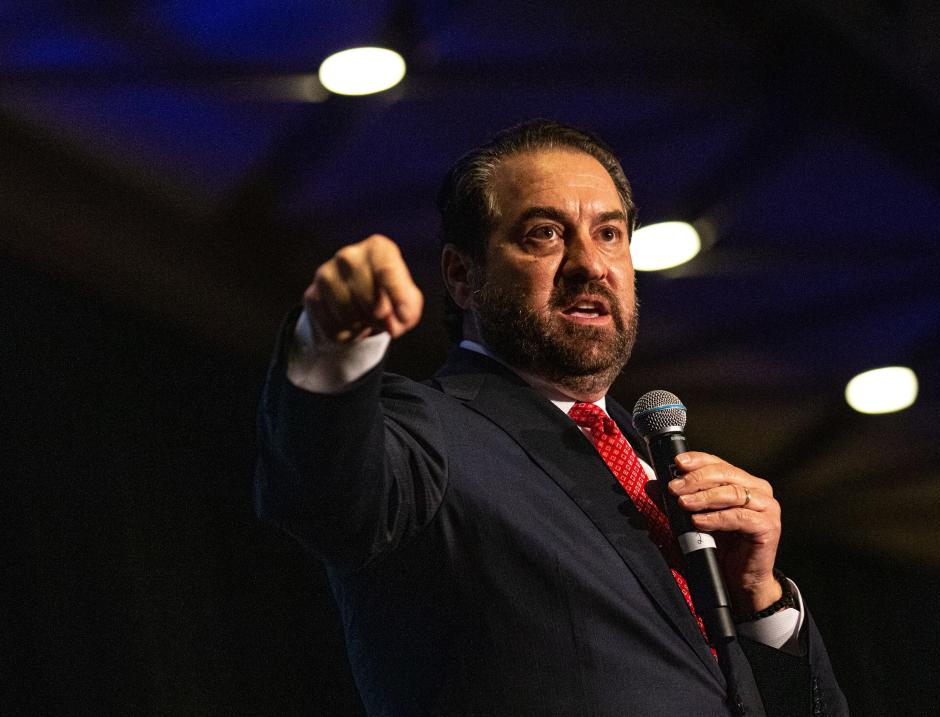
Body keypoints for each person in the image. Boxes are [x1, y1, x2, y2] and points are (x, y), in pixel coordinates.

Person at [255, 120, 847, 716]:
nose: (591, 264)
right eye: (545, 234)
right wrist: (330, 342)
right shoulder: (428, 433)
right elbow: (324, 489)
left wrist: (759, 605)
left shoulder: (655, 464)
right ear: (462, 275)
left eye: (610, 233)